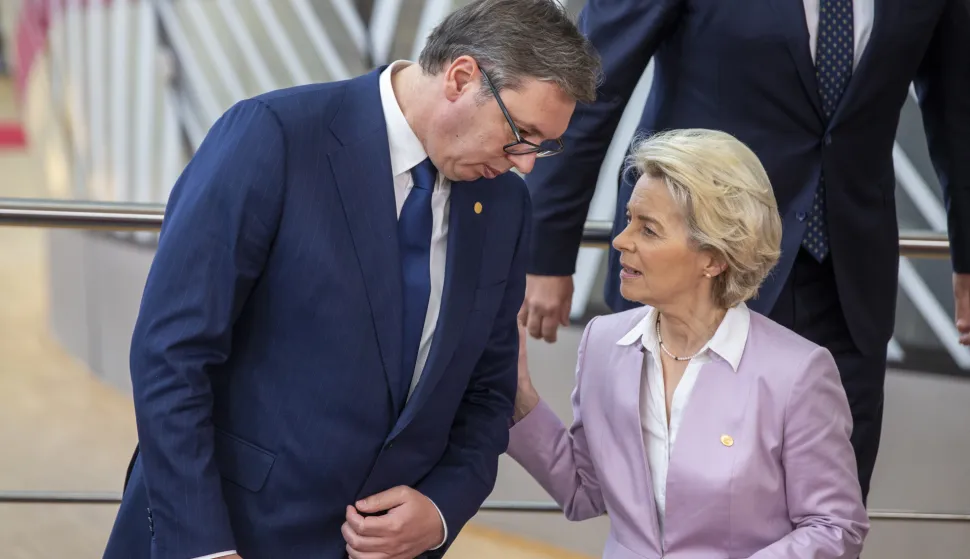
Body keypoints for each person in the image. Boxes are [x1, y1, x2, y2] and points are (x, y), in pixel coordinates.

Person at [102, 1, 600, 557]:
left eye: (544, 145)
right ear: (461, 78)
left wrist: (439, 510)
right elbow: (171, 353)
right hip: (231, 533)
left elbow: (487, 393)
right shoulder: (273, 136)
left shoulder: (505, 204)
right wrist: (202, 546)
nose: (527, 163)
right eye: (521, 133)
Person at [518, 0, 970, 504]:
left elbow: (959, 111)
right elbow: (591, 84)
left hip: (847, 290)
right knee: (673, 505)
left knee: (829, 509)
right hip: (699, 273)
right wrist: (547, 254)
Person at [510, 129, 869, 558]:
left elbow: (835, 526)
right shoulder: (603, 344)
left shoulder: (798, 373)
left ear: (714, 257)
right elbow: (585, 491)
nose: (621, 240)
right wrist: (518, 394)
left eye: (649, 229)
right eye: (628, 220)